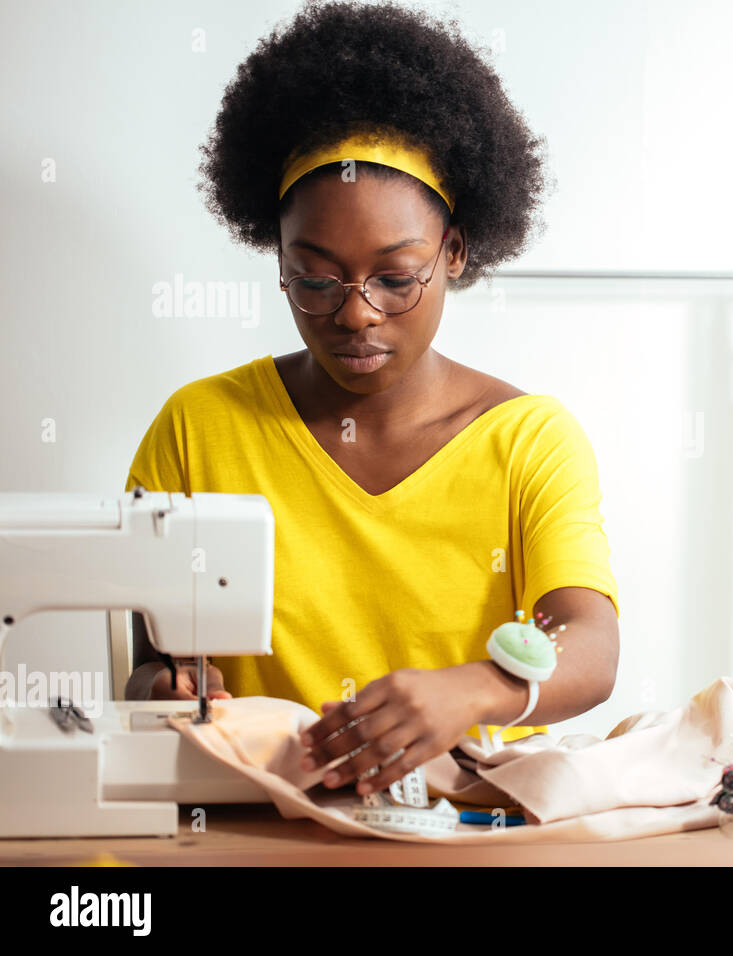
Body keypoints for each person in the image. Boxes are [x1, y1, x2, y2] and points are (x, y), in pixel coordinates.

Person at [124, 1, 619, 798]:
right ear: (277, 260)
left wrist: (477, 690)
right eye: (316, 278)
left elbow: (590, 644)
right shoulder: (199, 429)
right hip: (261, 824)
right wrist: (167, 688)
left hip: (463, 826)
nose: (356, 312)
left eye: (396, 276)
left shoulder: (528, 441)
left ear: (454, 252)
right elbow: (147, 660)